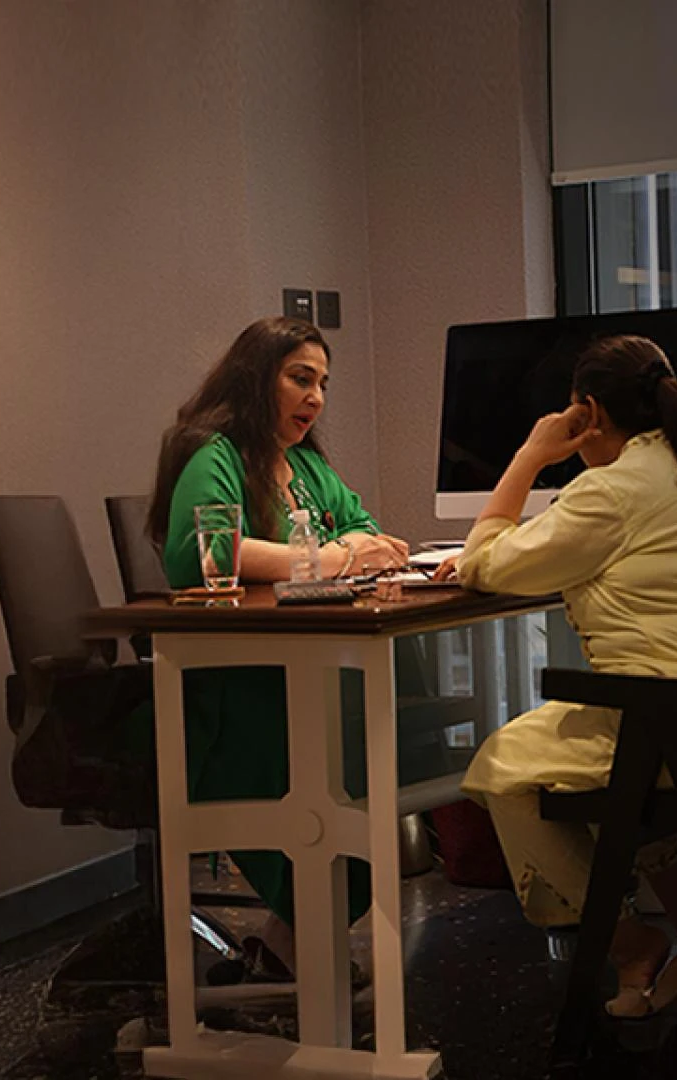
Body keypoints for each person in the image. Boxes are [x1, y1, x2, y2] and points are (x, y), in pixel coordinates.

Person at [448, 334, 677, 1017]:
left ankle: (630, 944)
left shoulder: (612, 491)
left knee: (505, 767)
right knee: (604, 746)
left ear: (589, 414)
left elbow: (483, 564)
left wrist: (531, 455)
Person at [146, 315, 410, 979]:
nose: (315, 397)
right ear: (256, 377)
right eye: (300, 379)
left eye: (323, 384)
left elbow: (369, 534)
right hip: (232, 688)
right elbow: (203, 551)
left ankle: (286, 949)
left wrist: (342, 552)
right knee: (341, 775)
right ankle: (298, 948)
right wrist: (330, 558)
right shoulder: (213, 453)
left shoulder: (308, 464)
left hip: (302, 673)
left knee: (375, 757)